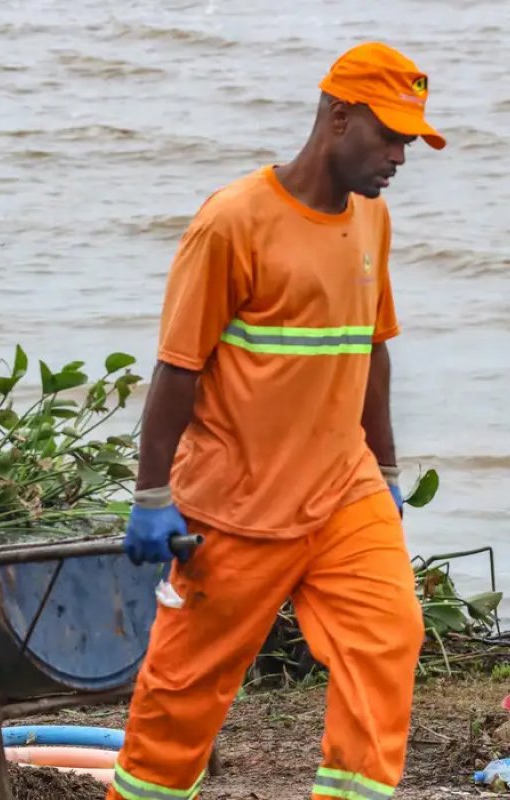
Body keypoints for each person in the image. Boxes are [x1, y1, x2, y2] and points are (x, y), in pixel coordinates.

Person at [109, 42, 446, 800]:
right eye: (387, 134)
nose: (398, 155)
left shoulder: (372, 219)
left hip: (342, 492)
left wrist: (386, 470)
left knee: (388, 639)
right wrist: (153, 495)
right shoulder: (233, 222)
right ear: (336, 116)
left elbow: (372, 349)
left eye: (408, 140)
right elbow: (177, 368)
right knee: (180, 702)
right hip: (238, 505)